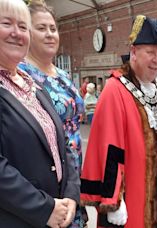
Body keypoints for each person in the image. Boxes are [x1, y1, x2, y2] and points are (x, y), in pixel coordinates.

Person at [80, 15, 157, 227]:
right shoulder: (115, 90)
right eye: (150, 52)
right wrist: (112, 202)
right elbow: (108, 151)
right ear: (133, 52)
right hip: (132, 202)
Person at [0, 0, 80, 227]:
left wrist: (72, 195)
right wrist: (45, 208)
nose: (17, 33)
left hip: (59, 213)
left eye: (23, 27)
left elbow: (63, 142)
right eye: (7, 23)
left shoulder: (33, 85)